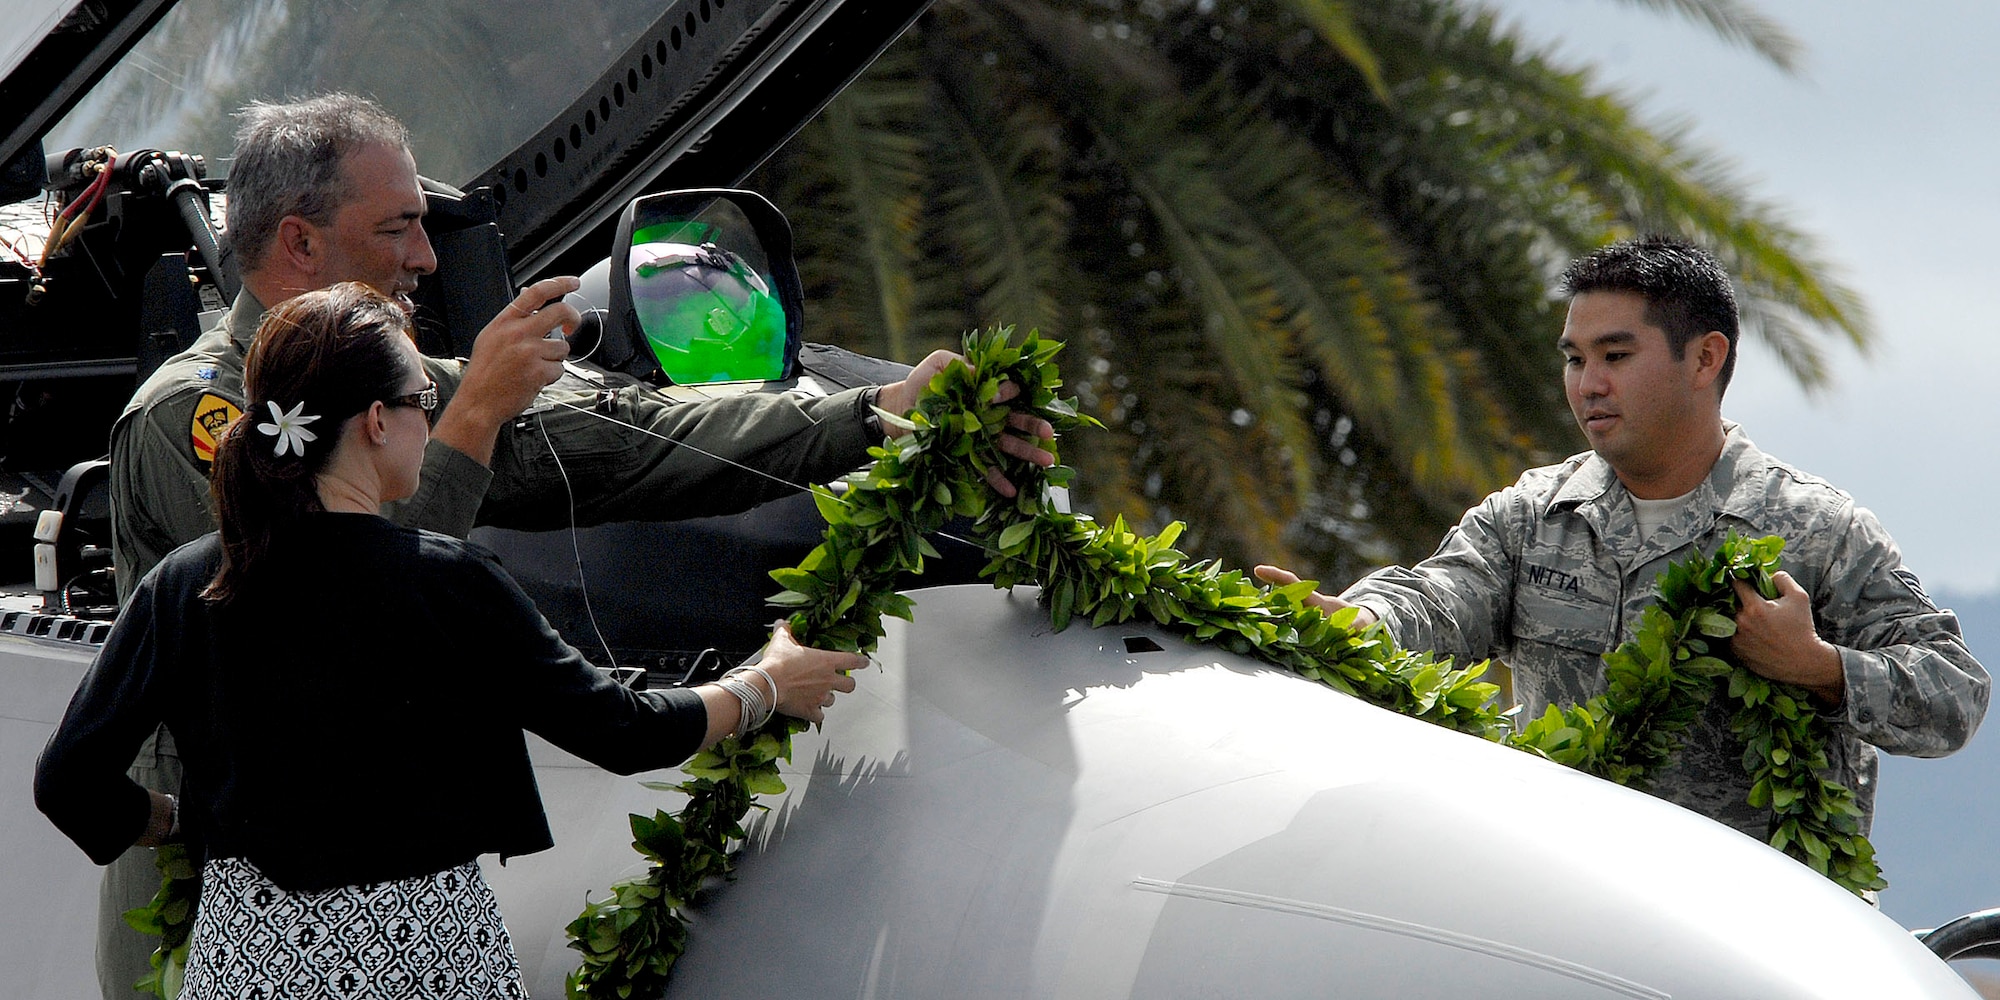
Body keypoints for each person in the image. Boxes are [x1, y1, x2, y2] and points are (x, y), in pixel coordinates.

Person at [96, 91, 1054, 995]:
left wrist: (875, 415)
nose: (427, 259)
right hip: (213, 909)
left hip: (398, 890)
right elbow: (348, 621)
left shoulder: (410, 386)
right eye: (397, 228)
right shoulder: (196, 418)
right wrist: (468, 422)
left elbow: (637, 434)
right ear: (299, 243)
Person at [40, 282, 865, 998]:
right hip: (430, 960)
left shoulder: (187, 585)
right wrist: (766, 682)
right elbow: (626, 730)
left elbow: (69, 782)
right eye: (422, 404)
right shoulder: (450, 582)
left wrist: (180, 819)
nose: (429, 419)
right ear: (374, 421)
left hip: (251, 965)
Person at [1255, 235, 1988, 839]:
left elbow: (1954, 695)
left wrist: (1820, 666)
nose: (1588, 384)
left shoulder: (1817, 531)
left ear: (1705, 359)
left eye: (1615, 356)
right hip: (1570, 923)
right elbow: (1439, 597)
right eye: (1575, 359)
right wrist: (1358, 620)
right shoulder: (1531, 518)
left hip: (1749, 943)